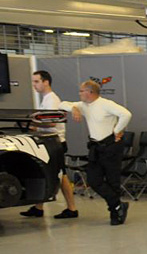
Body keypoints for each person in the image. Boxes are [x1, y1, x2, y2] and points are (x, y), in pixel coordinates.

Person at [59, 80, 132, 225]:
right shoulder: (83, 106)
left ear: (90, 92)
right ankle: (118, 204)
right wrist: (73, 108)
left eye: (81, 91)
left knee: (112, 181)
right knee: (93, 180)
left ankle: (115, 212)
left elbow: (126, 114)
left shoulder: (105, 104)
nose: (79, 93)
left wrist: (117, 131)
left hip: (111, 146)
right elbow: (61, 104)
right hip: (96, 148)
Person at [21, 70, 78, 219]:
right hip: (50, 142)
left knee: (61, 175)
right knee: (48, 173)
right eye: (33, 82)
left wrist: (33, 125)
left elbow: (52, 121)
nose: (34, 85)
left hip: (56, 142)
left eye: (36, 81)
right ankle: (38, 207)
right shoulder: (45, 99)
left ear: (46, 82)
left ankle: (72, 208)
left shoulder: (52, 99)